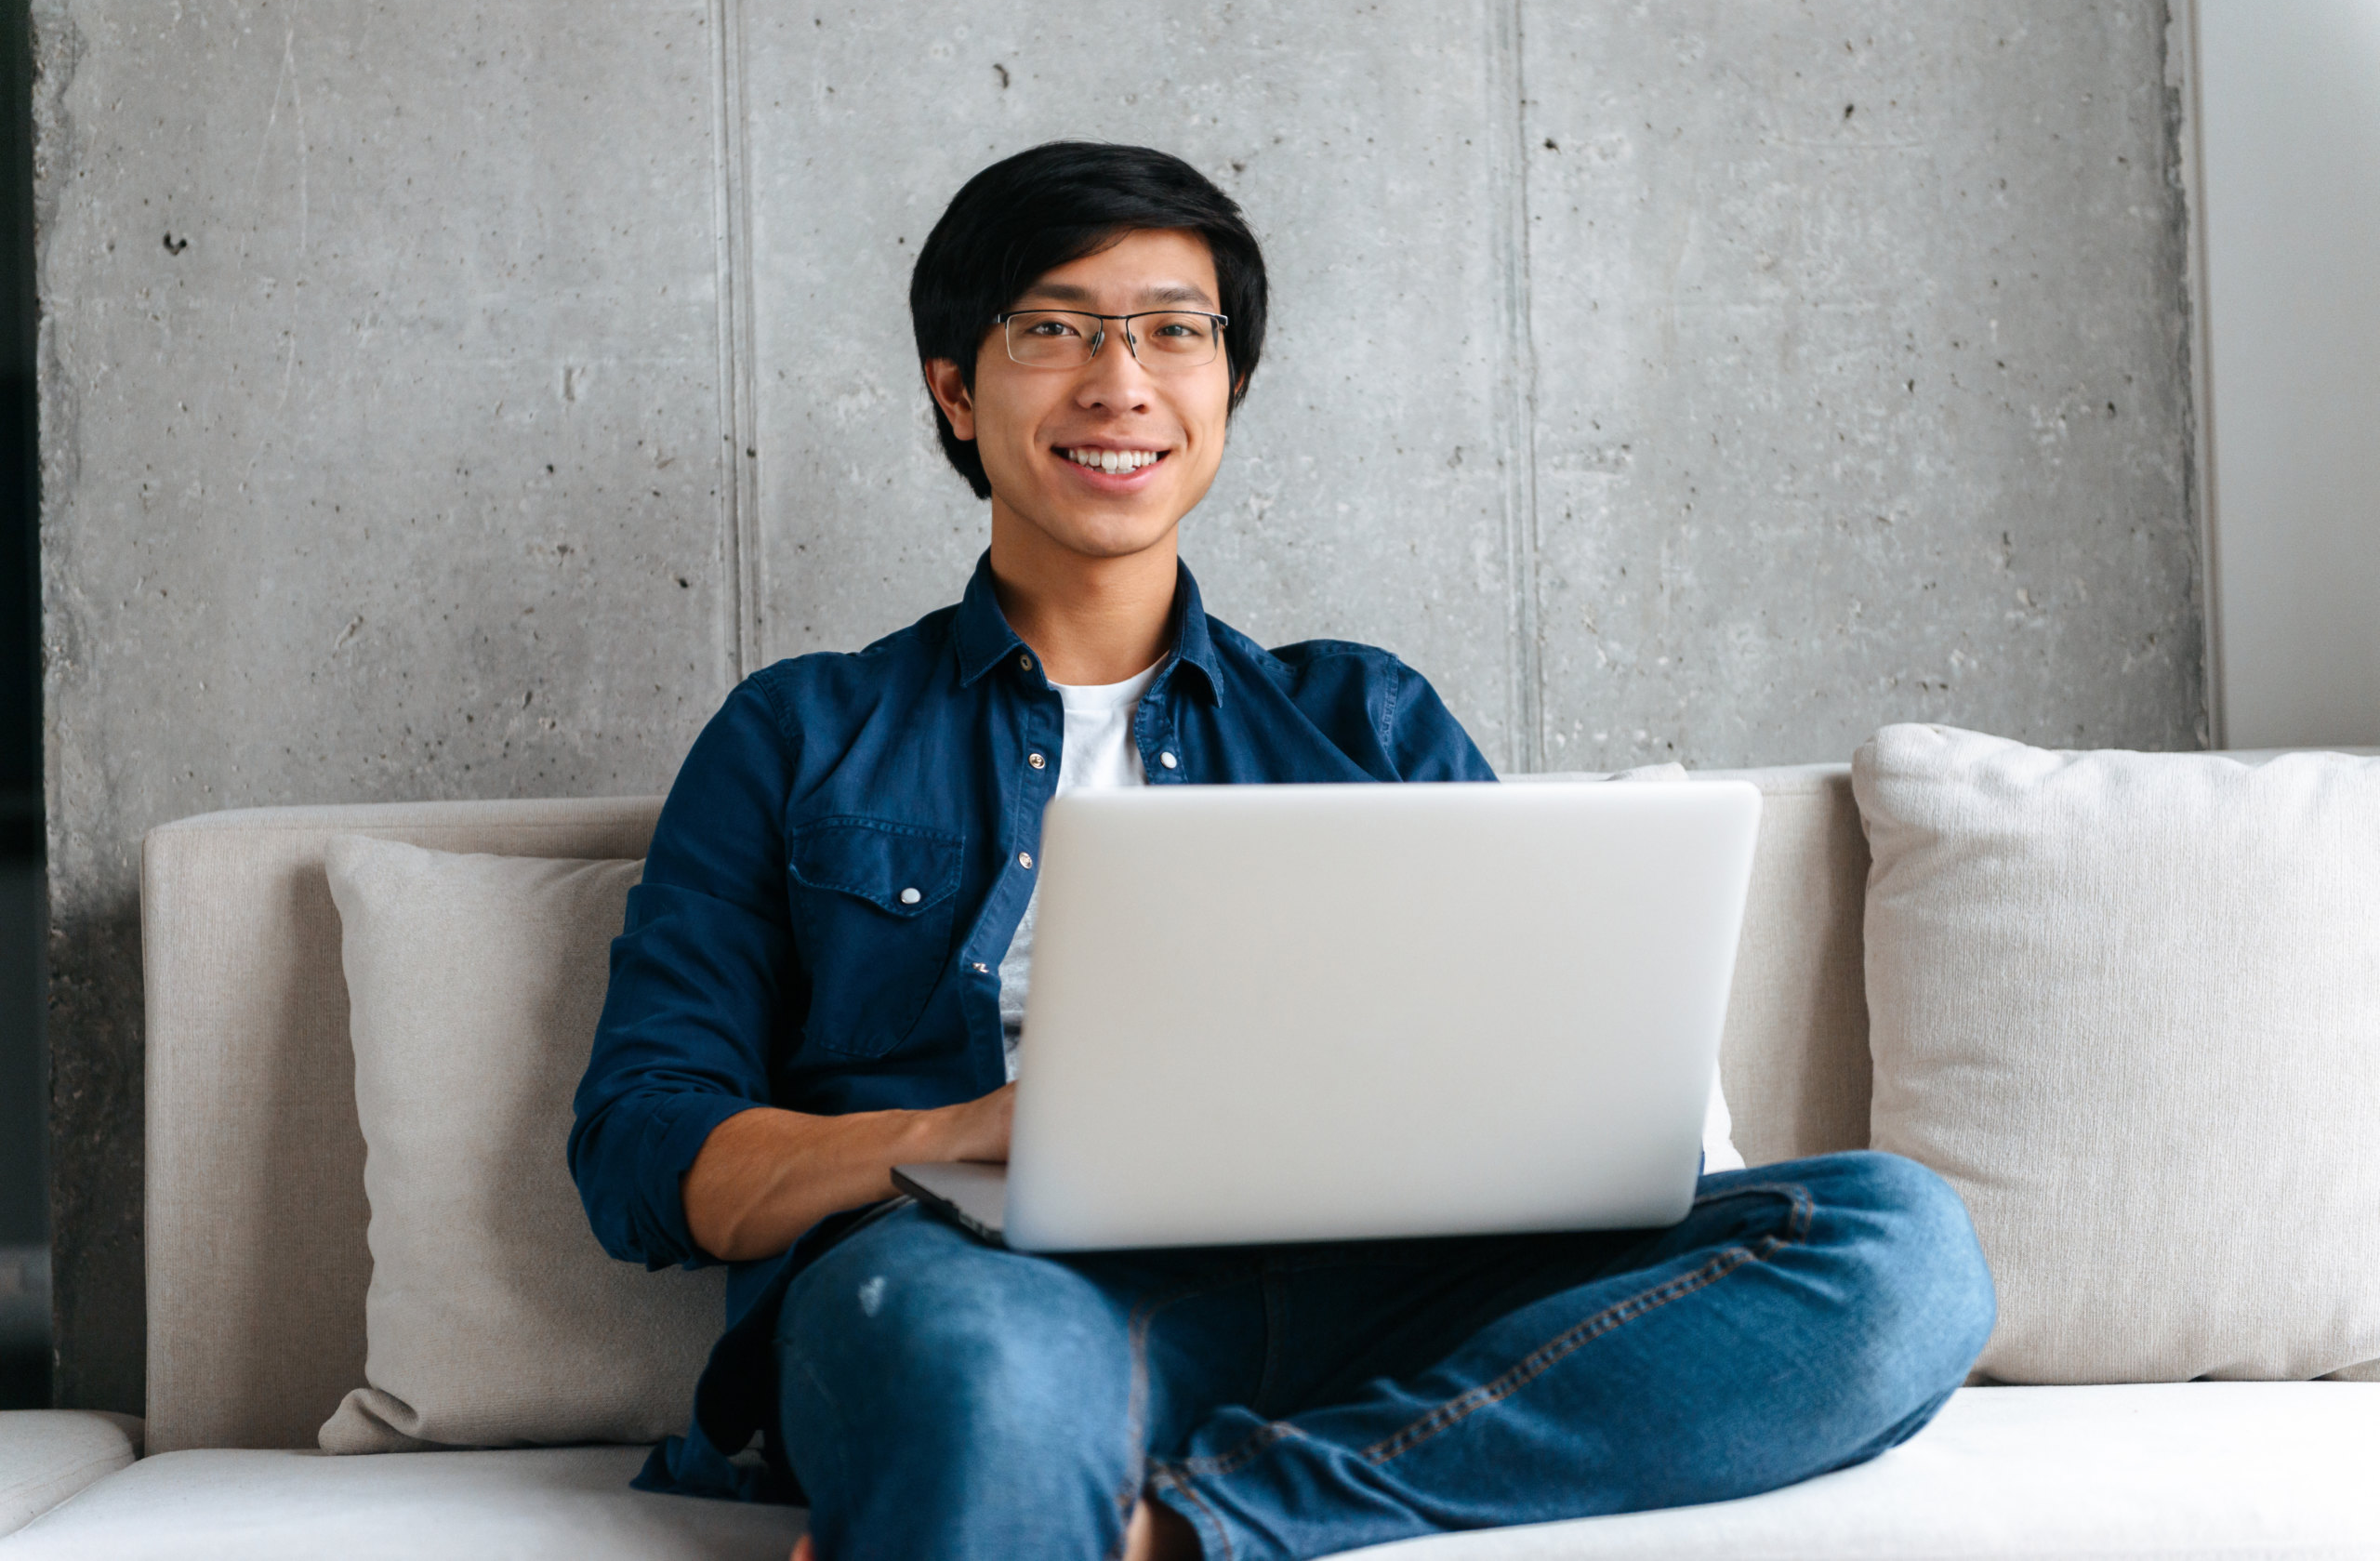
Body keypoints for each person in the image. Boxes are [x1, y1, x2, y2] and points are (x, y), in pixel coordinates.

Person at [569, 140, 1995, 1561]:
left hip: (1380, 1291)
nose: (1119, 380)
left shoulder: (1364, 717)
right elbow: (645, 1151)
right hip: (988, 1286)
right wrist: (969, 1134)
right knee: (984, 1392)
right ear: (955, 387)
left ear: (1228, 388)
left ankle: (1193, 1525)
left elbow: (1541, 1066)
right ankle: (1038, 1476)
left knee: (1897, 1246)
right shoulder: (799, 731)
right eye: (1054, 327)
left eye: (1175, 332)